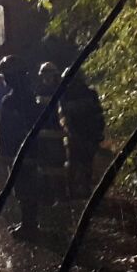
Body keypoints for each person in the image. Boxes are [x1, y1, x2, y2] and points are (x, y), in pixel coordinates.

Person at [0, 55, 62, 240]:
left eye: (6, 76)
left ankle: (29, 226)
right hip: (29, 150)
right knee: (27, 186)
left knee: (24, 188)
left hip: (19, 151)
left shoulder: (12, 100)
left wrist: (4, 152)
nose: (5, 80)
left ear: (13, 77)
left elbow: (7, 130)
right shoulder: (30, 96)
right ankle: (29, 223)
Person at [42, 61, 105, 198]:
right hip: (82, 135)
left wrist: (96, 132)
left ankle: (77, 191)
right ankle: (77, 191)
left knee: (79, 163)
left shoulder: (71, 94)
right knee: (79, 163)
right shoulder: (74, 93)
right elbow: (66, 115)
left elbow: (96, 114)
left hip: (82, 134)